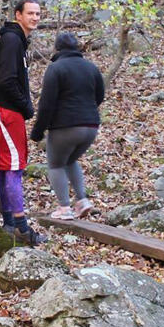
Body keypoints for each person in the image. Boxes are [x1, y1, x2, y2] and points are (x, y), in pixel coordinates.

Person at [30, 32, 105, 221]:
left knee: (55, 165)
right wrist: (87, 112)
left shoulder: (56, 68)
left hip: (65, 127)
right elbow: (100, 95)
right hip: (91, 126)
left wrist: (38, 131)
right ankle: (82, 200)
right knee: (70, 160)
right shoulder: (91, 67)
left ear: (57, 49)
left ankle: (64, 208)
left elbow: (46, 104)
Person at [0, 0, 44, 245]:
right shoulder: (11, 41)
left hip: (8, 112)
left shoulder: (17, 40)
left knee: (8, 167)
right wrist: (26, 106)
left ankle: (10, 223)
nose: (35, 18)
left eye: (38, 14)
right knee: (12, 168)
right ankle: (20, 226)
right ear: (18, 15)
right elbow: (6, 80)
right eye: (30, 13)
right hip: (6, 113)